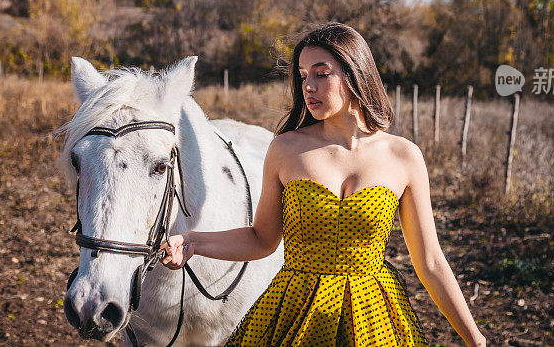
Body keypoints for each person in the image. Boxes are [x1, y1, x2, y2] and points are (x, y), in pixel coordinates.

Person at [161, 21, 486, 347]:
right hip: (296, 315)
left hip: (372, 319)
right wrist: (192, 241)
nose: (309, 86)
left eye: (321, 73)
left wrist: (475, 339)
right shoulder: (285, 149)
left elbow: (429, 262)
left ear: (355, 73)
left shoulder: (403, 156)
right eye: (303, 76)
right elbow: (261, 239)